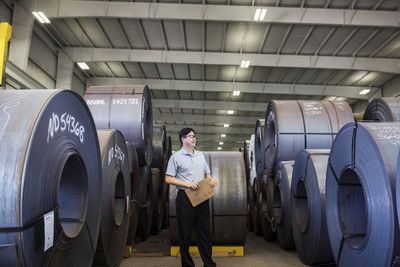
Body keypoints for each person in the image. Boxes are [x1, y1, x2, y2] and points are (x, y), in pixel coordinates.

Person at [165, 128, 218, 267]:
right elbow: (168, 178)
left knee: (205, 233)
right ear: (183, 139)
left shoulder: (200, 155)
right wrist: (187, 184)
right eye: (190, 136)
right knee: (185, 233)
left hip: (202, 196)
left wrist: (211, 179)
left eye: (194, 136)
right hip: (185, 197)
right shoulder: (176, 157)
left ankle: (209, 263)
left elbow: (207, 173)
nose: (194, 138)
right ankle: (187, 264)